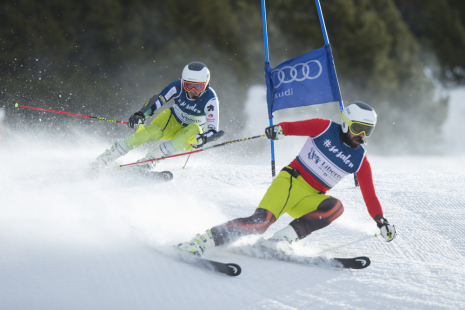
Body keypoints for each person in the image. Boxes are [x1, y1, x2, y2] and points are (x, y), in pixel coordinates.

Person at [178, 101, 397, 256]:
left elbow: (370, 194)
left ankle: (280, 241)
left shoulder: (360, 159)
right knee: (260, 223)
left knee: (336, 207)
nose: (362, 136)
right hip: (290, 182)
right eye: (358, 128)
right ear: (346, 123)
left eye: (368, 131)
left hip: (309, 198)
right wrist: (279, 130)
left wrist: (381, 220)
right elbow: (294, 127)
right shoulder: (324, 128)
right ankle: (202, 241)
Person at [91, 61, 221, 173]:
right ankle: (104, 159)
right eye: (189, 85)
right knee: (147, 133)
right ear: (183, 82)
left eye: (198, 86)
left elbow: (213, 130)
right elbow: (158, 101)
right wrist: (141, 114)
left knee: (194, 128)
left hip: (189, 135)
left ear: (206, 84)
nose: (193, 90)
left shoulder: (210, 99)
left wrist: (203, 139)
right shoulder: (178, 86)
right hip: (172, 122)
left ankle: (147, 162)